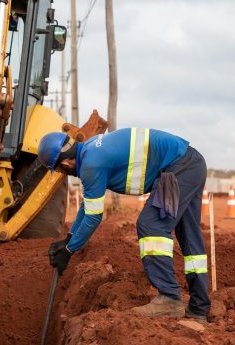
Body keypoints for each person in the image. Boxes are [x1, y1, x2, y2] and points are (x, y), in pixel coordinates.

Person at [39, 127, 210, 323]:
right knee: (189, 235)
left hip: (179, 167)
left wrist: (70, 250)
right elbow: (87, 207)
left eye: (60, 171)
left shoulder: (91, 165)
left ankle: (169, 298)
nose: (64, 174)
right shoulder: (90, 150)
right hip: (191, 163)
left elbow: (94, 217)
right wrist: (68, 240)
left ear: (66, 163)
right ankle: (198, 309)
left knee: (151, 226)